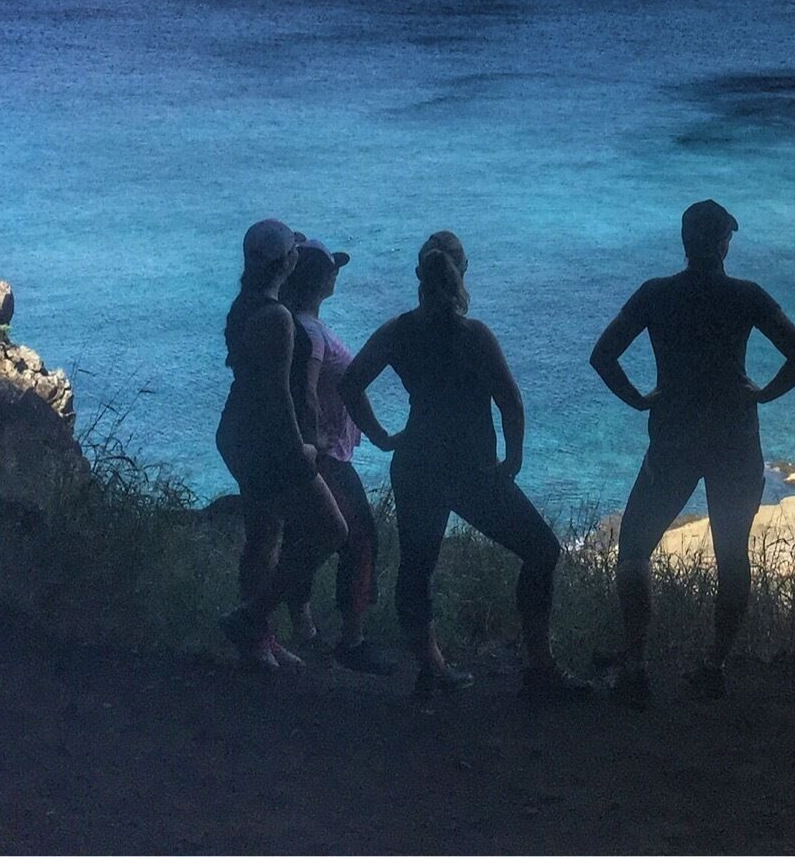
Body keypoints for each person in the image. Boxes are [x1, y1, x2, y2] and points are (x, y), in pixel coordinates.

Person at [342, 231, 588, 701]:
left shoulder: (398, 331)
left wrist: (381, 437)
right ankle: (539, 666)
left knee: (417, 566)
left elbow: (351, 383)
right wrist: (513, 461)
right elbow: (510, 401)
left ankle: (430, 668)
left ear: (419, 276)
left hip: (416, 464)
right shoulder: (473, 335)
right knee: (541, 551)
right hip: (471, 469)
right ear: (463, 275)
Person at [591, 199, 795, 707]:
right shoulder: (747, 296)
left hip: (673, 436)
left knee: (633, 549)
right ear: (721, 245)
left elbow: (602, 356)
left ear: (685, 242)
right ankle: (714, 665)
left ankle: (636, 664)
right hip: (735, 437)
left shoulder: (654, 295)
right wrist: (763, 393)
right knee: (731, 554)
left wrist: (638, 398)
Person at [214, 218, 347, 670]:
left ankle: (258, 640)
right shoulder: (277, 319)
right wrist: (303, 451)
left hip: (239, 434)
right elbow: (280, 396)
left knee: (264, 535)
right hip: (268, 439)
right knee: (331, 530)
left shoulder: (246, 305)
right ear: (287, 262)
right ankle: (250, 618)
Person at [277, 235, 388, 675]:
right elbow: (304, 389)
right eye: (331, 267)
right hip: (326, 454)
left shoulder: (302, 324)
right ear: (318, 278)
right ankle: (352, 638)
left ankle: (302, 625)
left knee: (309, 536)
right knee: (360, 538)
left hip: (319, 450)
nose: (337, 272)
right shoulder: (308, 332)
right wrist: (315, 440)